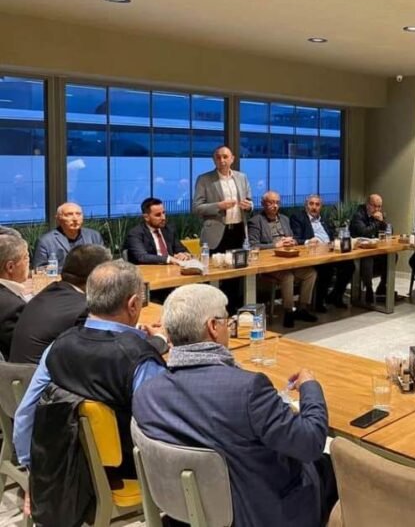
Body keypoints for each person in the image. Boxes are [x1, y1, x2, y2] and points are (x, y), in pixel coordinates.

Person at [133, 284, 334, 527]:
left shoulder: (145, 394)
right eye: (227, 320)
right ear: (213, 327)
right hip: (259, 514)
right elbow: (311, 443)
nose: (229, 326)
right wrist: (310, 387)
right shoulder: (248, 390)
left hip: (186, 513)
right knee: (336, 466)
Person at [14, 261, 167, 474]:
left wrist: (32, 469)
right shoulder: (142, 361)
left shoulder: (57, 346)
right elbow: (160, 434)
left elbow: (26, 411)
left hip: (66, 470)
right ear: (133, 304)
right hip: (129, 476)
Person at [9, 244, 112, 364]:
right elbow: (96, 357)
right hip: (39, 374)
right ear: (98, 278)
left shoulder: (48, 292)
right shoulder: (83, 309)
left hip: (17, 372)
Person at [193, 145, 253, 311]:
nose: (222, 160)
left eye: (225, 157)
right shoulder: (204, 179)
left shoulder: (242, 177)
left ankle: (233, 311)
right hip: (216, 232)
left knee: (236, 274)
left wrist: (249, 206)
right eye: (218, 157)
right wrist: (219, 205)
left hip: (238, 230)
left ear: (232, 158)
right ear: (214, 160)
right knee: (213, 274)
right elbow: (197, 208)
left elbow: (249, 200)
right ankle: (211, 312)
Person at [248, 191, 318, 327]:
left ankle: (302, 309)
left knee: (310, 273)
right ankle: (288, 312)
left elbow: (292, 237)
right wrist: (276, 245)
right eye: (271, 202)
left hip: (288, 259)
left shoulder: (285, 219)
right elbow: (253, 245)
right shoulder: (256, 221)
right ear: (263, 204)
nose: (275, 206)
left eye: (277, 203)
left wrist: (292, 241)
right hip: (270, 263)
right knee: (288, 276)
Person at [290, 194, 354, 310]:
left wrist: (335, 242)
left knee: (349, 265)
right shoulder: (298, 218)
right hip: (312, 255)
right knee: (326, 268)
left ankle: (336, 296)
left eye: (317, 204)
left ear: (321, 207)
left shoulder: (323, 219)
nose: (314, 207)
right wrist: (308, 241)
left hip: (329, 251)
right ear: (306, 205)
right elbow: (296, 239)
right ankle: (319, 301)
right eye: (311, 204)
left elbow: (331, 235)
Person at [33, 202, 104, 270]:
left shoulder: (94, 236)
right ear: (58, 219)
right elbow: (39, 270)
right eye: (69, 214)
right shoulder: (46, 241)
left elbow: (104, 263)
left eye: (78, 214)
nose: (75, 219)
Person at [124, 197, 192, 265]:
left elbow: (182, 250)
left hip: (171, 269)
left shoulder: (168, 230)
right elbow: (142, 256)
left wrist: (184, 255)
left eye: (164, 213)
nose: (163, 218)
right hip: (149, 270)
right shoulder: (135, 233)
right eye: (158, 215)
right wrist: (168, 259)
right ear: (146, 217)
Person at [350, 194, 389, 305]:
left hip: (374, 249)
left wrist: (382, 222)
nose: (377, 209)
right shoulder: (358, 215)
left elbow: (386, 231)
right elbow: (364, 232)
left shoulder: (378, 215)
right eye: (374, 206)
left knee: (391, 256)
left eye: (379, 206)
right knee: (368, 259)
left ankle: (383, 285)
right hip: (359, 251)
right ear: (368, 205)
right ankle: (369, 288)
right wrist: (377, 222)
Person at [0, 233, 30, 360]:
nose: (29, 262)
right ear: (10, 267)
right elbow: (26, 348)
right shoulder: (13, 307)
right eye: (26, 257)